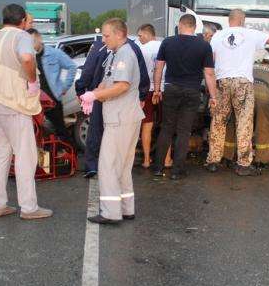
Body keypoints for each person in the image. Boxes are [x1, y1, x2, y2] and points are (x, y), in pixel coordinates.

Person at [0, 3, 52, 220]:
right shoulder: (21, 37)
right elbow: (27, 59)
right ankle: (29, 208)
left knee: (1, 154)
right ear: (22, 22)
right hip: (14, 101)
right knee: (25, 155)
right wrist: (32, 81)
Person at [205, 9, 269, 176]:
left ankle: (213, 161)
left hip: (222, 82)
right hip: (242, 83)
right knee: (244, 122)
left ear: (229, 20)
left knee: (218, 122)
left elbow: (212, 60)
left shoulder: (217, 36)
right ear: (243, 20)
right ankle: (243, 164)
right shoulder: (250, 33)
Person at [79, 18, 144, 225]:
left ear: (119, 34)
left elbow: (122, 85)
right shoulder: (117, 53)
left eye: (107, 36)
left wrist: (95, 97)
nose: (104, 40)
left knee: (108, 166)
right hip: (124, 117)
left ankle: (110, 212)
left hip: (120, 118)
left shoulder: (124, 53)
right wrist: (94, 92)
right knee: (123, 166)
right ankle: (126, 209)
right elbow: (109, 81)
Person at [151, 14, 217, 179]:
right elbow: (209, 73)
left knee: (166, 128)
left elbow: (158, 68)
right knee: (184, 131)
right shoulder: (204, 46)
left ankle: (158, 168)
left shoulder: (168, 42)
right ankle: (177, 171)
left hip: (171, 89)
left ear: (180, 25)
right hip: (192, 91)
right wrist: (213, 96)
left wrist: (157, 90)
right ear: (194, 27)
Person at [28, 28, 77, 141]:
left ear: (39, 39)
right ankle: (45, 156)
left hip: (53, 98)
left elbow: (71, 66)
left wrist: (64, 87)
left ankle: (69, 154)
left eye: (33, 41)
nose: (31, 45)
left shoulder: (53, 53)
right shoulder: (29, 57)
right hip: (35, 99)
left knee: (60, 130)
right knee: (38, 131)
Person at [75, 36, 110, 178]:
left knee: (95, 130)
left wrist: (80, 89)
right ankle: (111, 165)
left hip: (98, 93)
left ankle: (92, 166)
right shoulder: (130, 46)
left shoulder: (98, 46)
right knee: (113, 131)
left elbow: (88, 69)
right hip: (120, 96)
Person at [136, 24, 161, 168]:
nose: (139, 39)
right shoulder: (164, 46)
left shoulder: (140, 49)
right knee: (166, 125)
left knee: (146, 125)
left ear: (147, 34)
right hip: (163, 89)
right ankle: (167, 159)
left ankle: (146, 160)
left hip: (146, 90)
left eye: (140, 35)